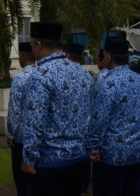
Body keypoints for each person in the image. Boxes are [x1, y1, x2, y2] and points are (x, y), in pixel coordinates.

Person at [21, 22, 92, 196]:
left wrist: (28, 159)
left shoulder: (40, 75)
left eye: (31, 45)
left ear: (38, 45)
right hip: (79, 158)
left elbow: (35, 122)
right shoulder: (83, 74)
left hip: (51, 164)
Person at [86, 37, 140, 196]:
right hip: (136, 153)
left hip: (111, 156)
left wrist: (92, 147)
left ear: (108, 58)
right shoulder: (138, 79)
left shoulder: (109, 83)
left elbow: (98, 119)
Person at [65, 42, 94, 194]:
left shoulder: (60, 76)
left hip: (60, 151)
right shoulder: (88, 79)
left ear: (67, 56)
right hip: (82, 149)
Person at [7, 42, 36, 196]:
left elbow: (15, 110)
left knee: (22, 182)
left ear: (24, 57)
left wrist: (11, 134)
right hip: (39, 139)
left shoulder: (20, 78)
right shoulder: (42, 74)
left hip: (22, 139)